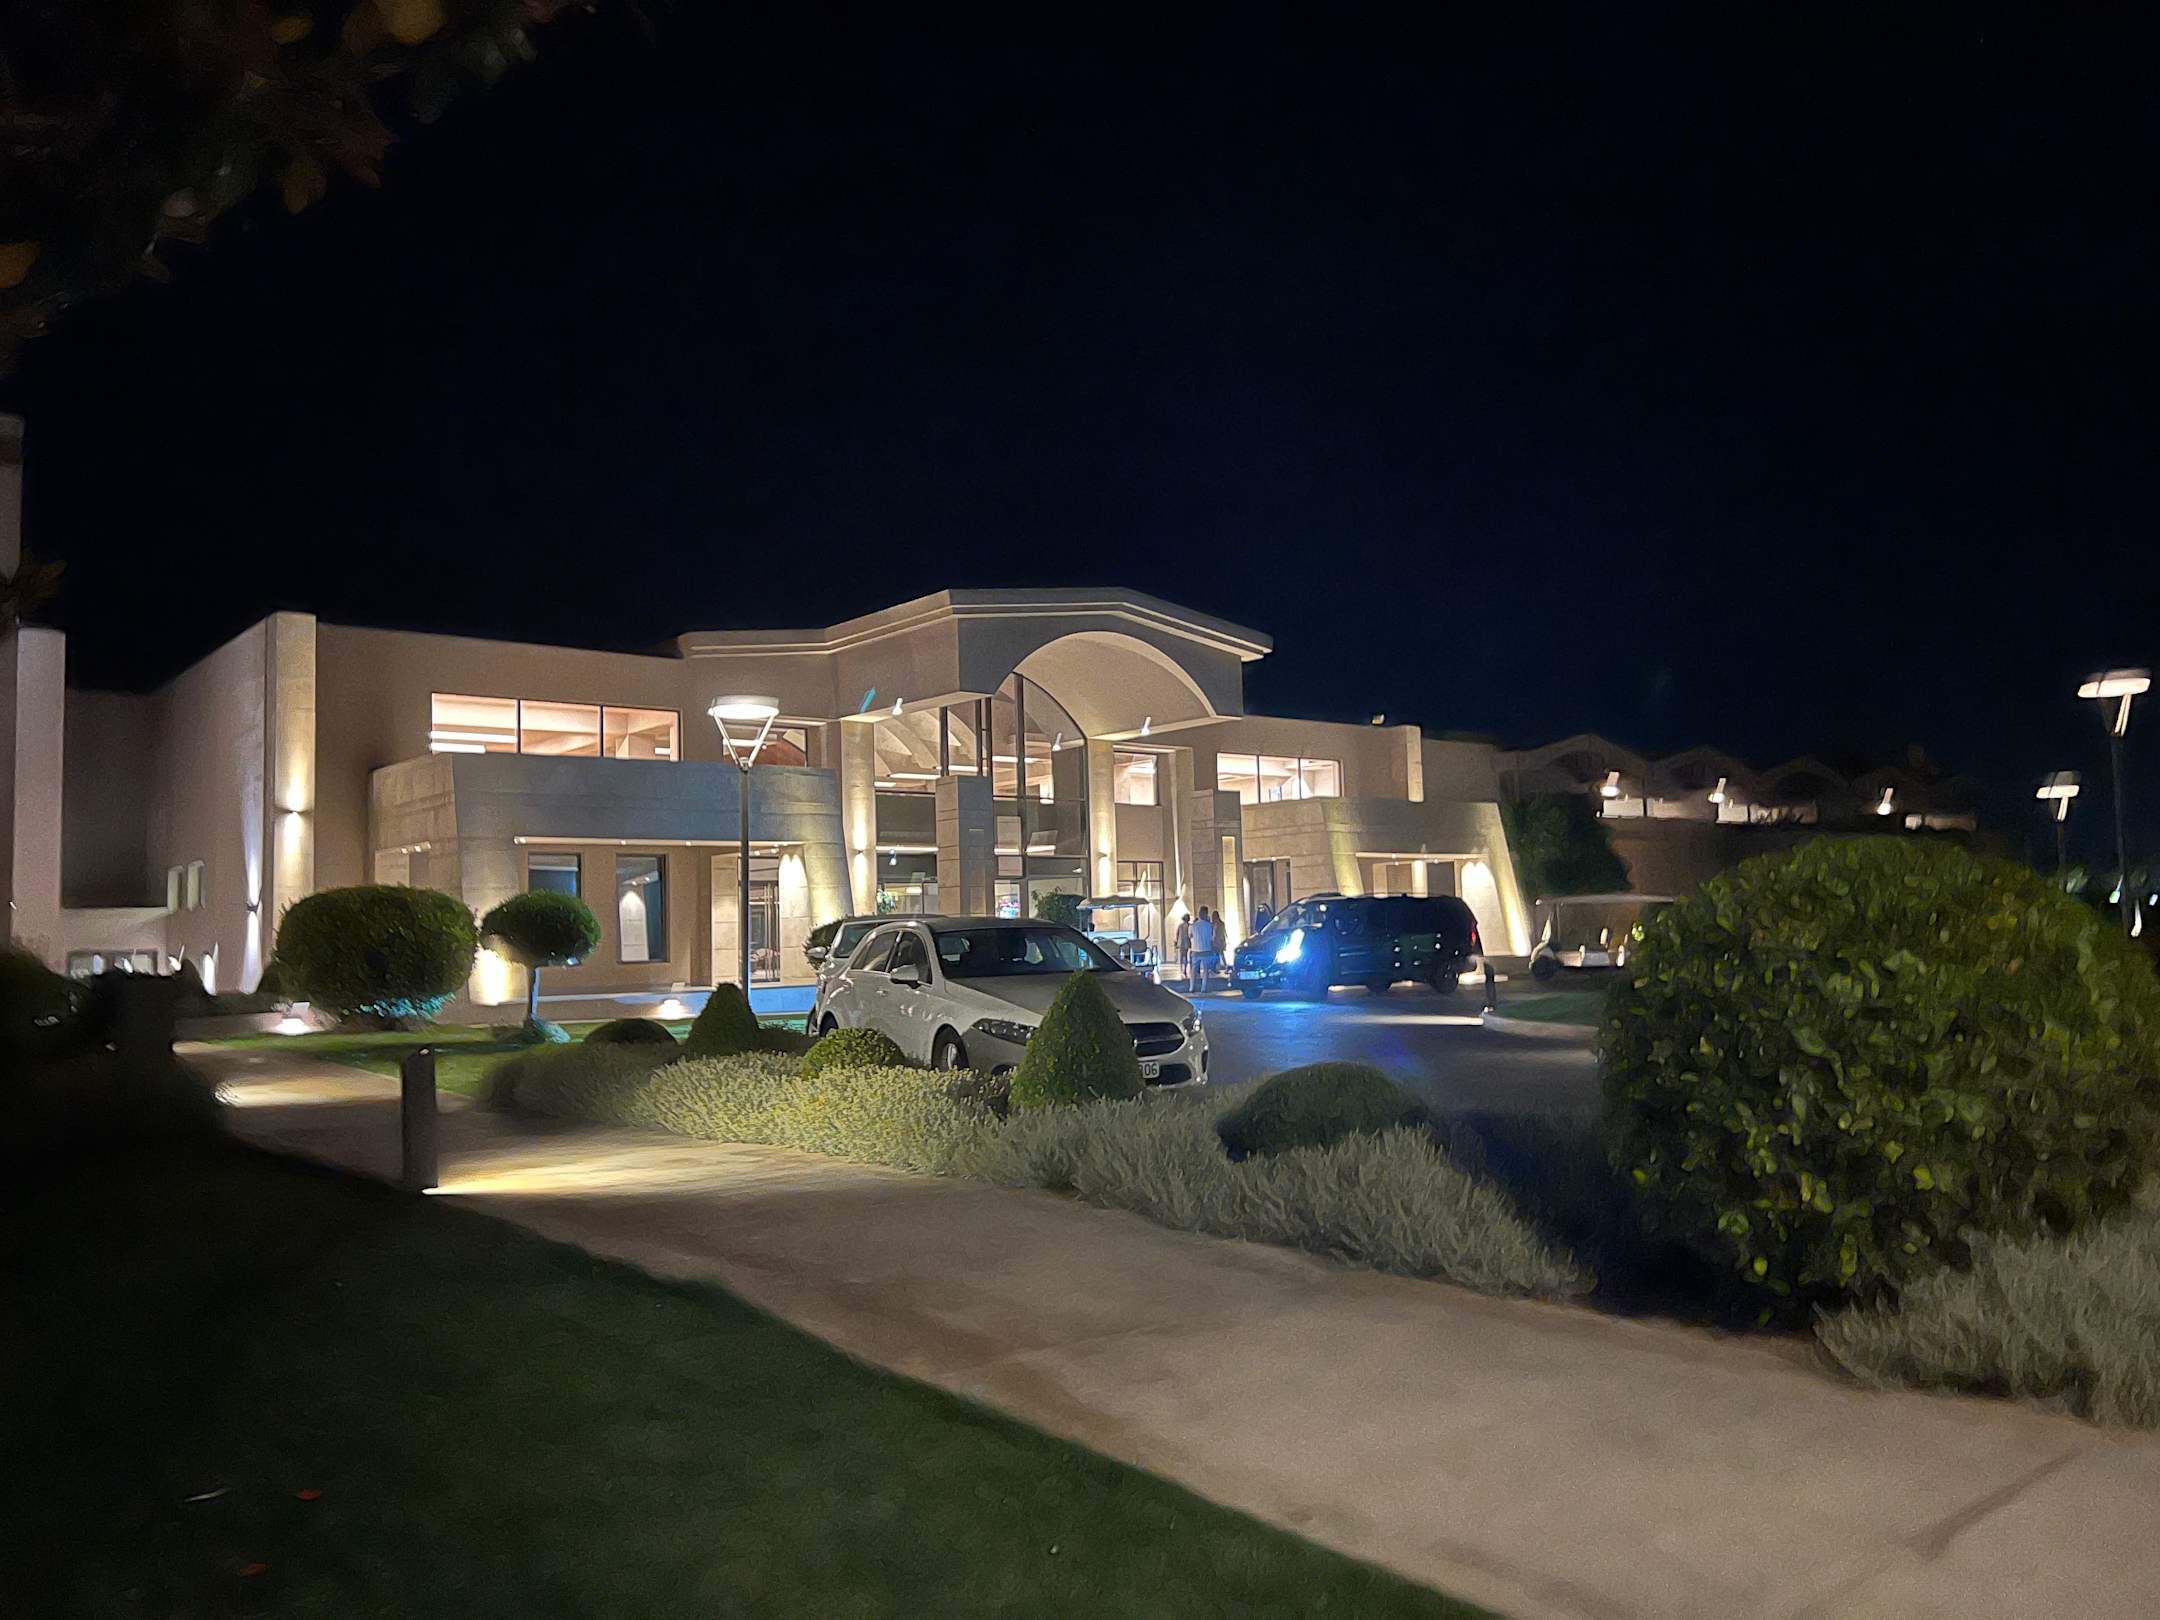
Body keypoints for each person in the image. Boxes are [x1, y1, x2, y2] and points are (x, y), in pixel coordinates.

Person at [1190, 906, 1218, 991]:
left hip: (1195, 950)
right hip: (1206, 950)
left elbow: (1190, 936)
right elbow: (1213, 938)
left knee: (1193, 970)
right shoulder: (1209, 925)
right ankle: (1203, 988)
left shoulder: (1193, 925)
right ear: (1206, 914)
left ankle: (1191, 987)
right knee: (1205, 970)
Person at [1173, 911, 1194, 986]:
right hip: (1186, 942)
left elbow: (1177, 934)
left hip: (1181, 942)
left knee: (1182, 956)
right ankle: (1184, 969)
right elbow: (1191, 935)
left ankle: (1182, 969)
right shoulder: (1190, 925)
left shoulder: (1180, 925)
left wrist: (1176, 941)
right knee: (1185, 956)